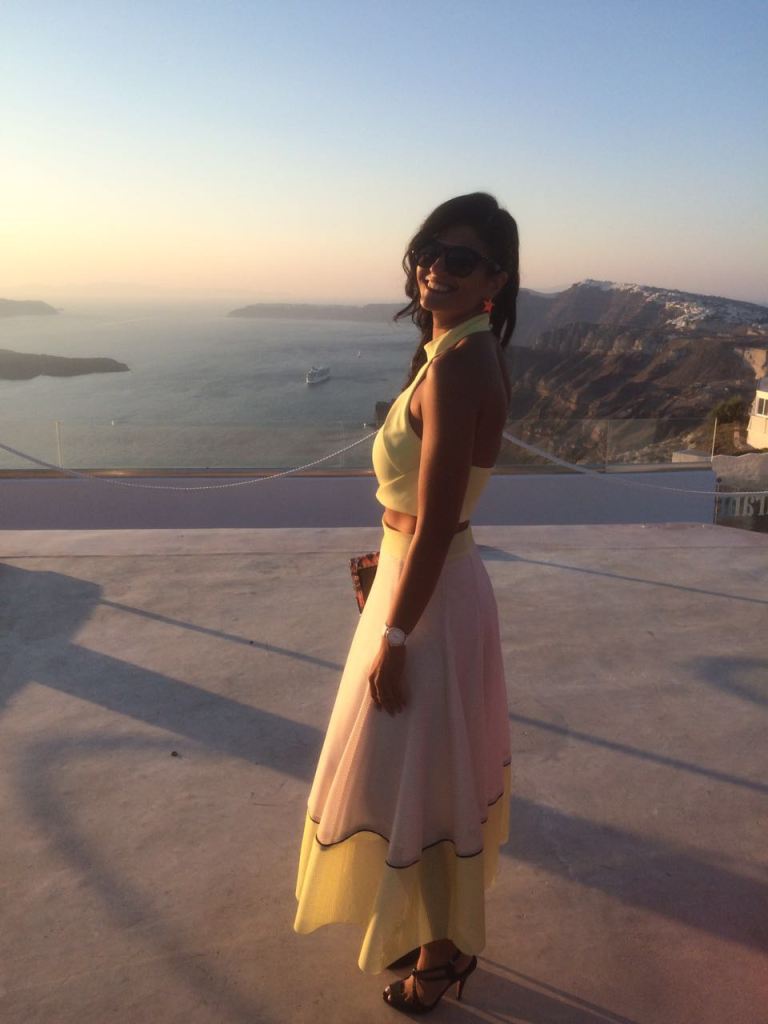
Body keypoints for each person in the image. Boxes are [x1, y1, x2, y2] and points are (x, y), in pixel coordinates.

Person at [293, 192, 519, 1013]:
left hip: (428, 601)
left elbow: (439, 521)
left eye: (461, 260)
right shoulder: (452, 349)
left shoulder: (459, 365)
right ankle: (432, 931)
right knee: (417, 772)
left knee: (424, 776)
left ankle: (444, 954)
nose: (436, 268)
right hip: (421, 581)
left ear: (494, 279)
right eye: (430, 251)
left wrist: (393, 634)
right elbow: (421, 513)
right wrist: (385, 569)